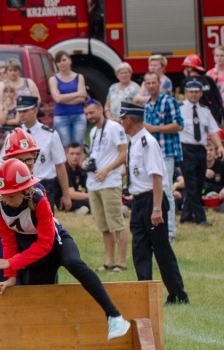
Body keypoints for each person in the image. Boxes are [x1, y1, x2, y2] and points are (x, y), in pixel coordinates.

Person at [0, 158, 132, 350]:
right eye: (3, 195)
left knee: (74, 263)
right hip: (34, 256)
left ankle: (114, 316)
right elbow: (8, 240)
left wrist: (12, 263)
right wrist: (11, 277)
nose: (7, 199)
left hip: (56, 245)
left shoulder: (39, 200)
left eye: (12, 195)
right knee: (40, 313)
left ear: (25, 189)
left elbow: (46, 243)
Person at [119, 102, 189, 305]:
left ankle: (177, 294)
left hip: (152, 200)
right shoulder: (135, 141)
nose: (121, 122)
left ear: (130, 120)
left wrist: (157, 208)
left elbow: (157, 176)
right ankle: (144, 294)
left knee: (161, 250)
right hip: (140, 201)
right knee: (139, 249)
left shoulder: (146, 142)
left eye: (123, 119)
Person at [84, 99, 128, 271]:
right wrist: (87, 163)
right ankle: (109, 261)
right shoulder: (94, 131)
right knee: (103, 226)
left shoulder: (114, 128)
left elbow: (124, 153)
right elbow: (98, 154)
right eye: (87, 114)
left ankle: (122, 262)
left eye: (92, 112)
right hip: (94, 183)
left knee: (117, 223)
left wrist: (107, 170)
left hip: (110, 182)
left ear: (101, 109)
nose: (90, 117)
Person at [178, 79, 224, 226]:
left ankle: (185, 214)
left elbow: (213, 130)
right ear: (185, 93)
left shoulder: (205, 111)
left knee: (198, 184)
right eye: (190, 92)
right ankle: (200, 218)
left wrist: (220, 146)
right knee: (191, 184)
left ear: (201, 93)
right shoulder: (178, 108)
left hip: (200, 149)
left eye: (196, 92)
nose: (193, 95)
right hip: (185, 148)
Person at [142, 72, 183, 241]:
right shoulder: (146, 105)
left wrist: (155, 128)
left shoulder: (169, 101)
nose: (151, 86)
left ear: (160, 84)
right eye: (148, 83)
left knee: (166, 190)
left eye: (154, 82)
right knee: (153, 191)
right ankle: (157, 227)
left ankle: (171, 230)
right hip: (150, 153)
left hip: (166, 151)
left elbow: (179, 125)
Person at [49, 51, 88, 146]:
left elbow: (82, 98)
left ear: (70, 60)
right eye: (58, 61)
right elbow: (57, 99)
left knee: (78, 144)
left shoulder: (79, 77)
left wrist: (63, 98)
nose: (62, 63)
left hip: (78, 115)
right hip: (61, 116)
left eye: (64, 60)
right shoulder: (53, 79)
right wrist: (77, 93)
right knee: (64, 145)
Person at [55, 142, 90, 215]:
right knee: (91, 201)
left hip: (77, 198)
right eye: (72, 153)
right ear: (67, 155)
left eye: (77, 154)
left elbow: (88, 186)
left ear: (81, 155)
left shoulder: (80, 169)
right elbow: (71, 194)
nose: (75, 156)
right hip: (63, 200)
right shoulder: (65, 169)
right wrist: (91, 196)